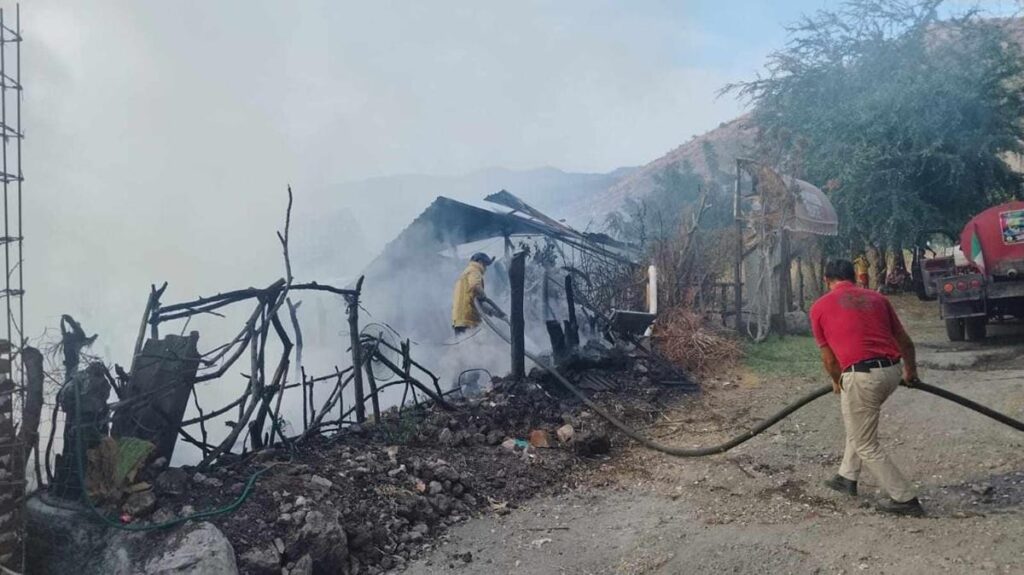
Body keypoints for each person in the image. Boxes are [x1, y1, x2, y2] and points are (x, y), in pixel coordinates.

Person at [810, 259, 924, 517]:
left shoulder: (820, 307)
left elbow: (828, 359)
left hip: (862, 375)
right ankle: (846, 477)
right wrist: (911, 372)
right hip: (892, 371)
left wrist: (837, 380)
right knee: (857, 419)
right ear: (854, 277)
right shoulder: (878, 299)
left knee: (865, 443)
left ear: (827, 280)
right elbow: (905, 341)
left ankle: (904, 498)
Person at [451, 252, 493, 334]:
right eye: (485, 265)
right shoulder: (474, 270)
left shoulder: (465, 273)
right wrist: (484, 297)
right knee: (473, 344)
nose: (486, 269)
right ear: (480, 262)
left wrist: (488, 310)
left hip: (460, 318)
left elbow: (472, 296)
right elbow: (475, 285)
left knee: (464, 345)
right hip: (468, 318)